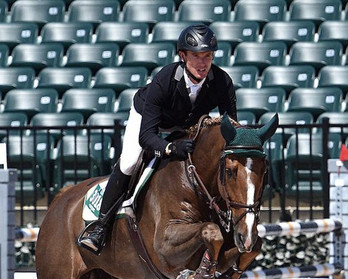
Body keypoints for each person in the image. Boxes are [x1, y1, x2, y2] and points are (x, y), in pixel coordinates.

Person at [80, 24, 237, 254]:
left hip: (185, 124)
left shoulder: (222, 82)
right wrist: (171, 148)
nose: (203, 63)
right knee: (130, 162)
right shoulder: (165, 80)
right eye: (196, 56)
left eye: (208, 56)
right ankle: (100, 227)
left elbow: (230, 128)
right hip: (149, 120)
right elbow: (147, 137)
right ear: (183, 56)